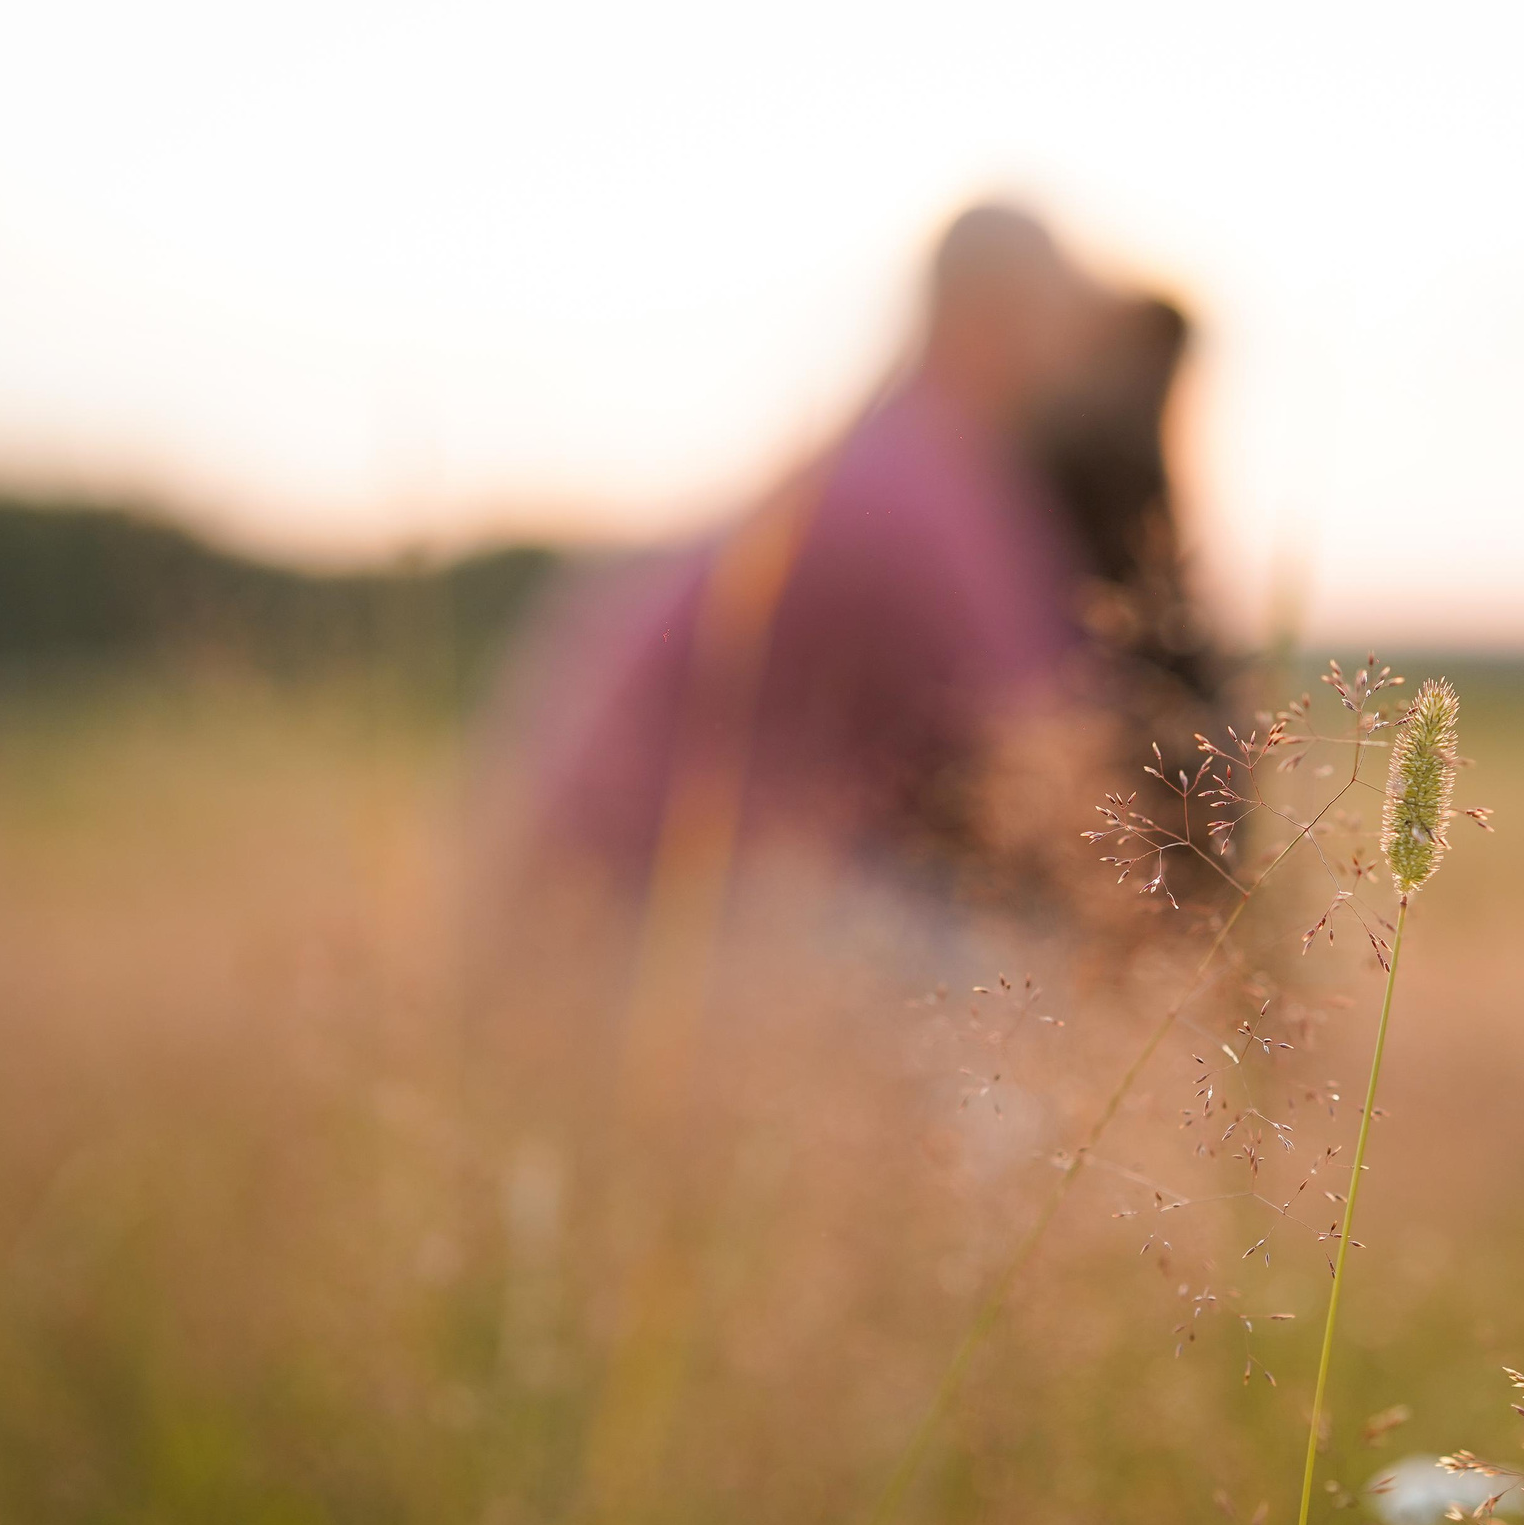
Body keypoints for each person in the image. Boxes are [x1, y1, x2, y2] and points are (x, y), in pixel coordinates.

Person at [479, 205, 1216, 971]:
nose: (1072, 366)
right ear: (997, 320)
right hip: (630, 915)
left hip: (591, 891)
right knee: (996, 997)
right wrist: (1196, 956)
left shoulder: (880, 453)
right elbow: (1055, 768)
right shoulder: (934, 492)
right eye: (1063, 328)